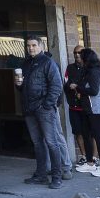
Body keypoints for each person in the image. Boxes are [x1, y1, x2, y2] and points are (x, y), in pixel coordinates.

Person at [17, 36, 66, 189]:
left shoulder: (48, 62)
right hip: (29, 108)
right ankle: (41, 175)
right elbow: (24, 87)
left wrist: (46, 105)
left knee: (52, 142)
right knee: (38, 143)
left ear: (41, 46)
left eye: (33, 45)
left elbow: (57, 86)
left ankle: (57, 176)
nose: (30, 48)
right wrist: (19, 85)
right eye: (28, 45)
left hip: (43, 109)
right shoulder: (26, 63)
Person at [73, 49, 100, 177]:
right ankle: (90, 163)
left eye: (81, 56)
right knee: (86, 135)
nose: (79, 58)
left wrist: (78, 88)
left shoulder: (94, 72)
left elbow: (94, 91)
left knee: (97, 136)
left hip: (95, 108)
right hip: (87, 108)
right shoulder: (87, 71)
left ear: (87, 59)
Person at [64, 45, 87, 166]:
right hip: (74, 106)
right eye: (75, 53)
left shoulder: (89, 67)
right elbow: (65, 84)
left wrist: (78, 87)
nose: (77, 55)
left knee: (91, 132)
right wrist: (70, 86)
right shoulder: (70, 67)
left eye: (79, 52)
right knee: (78, 132)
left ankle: (94, 157)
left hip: (87, 106)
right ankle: (83, 156)